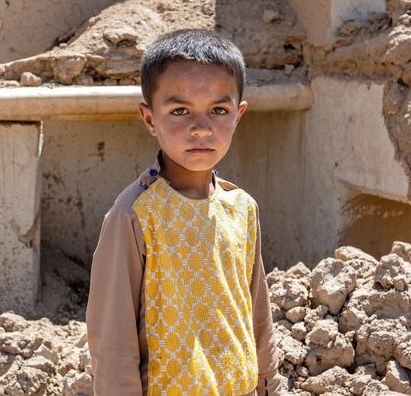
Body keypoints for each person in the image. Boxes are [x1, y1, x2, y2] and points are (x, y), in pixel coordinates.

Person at [86, 29, 281, 395]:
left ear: (238, 115)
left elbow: (257, 315)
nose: (201, 129)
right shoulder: (136, 216)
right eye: (179, 111)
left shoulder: (242, 210)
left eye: (218, 110)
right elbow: (113, 341)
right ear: (149, 118)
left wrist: (268, 384)